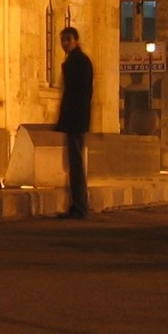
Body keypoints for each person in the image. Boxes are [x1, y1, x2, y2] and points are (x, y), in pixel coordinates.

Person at [54, 26, 93, 219]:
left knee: (76, 163)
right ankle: (78, 205)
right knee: (74, 163)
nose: (65, 43)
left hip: (75, 119)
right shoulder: (76, 61)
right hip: (76, 119)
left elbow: (76, 94)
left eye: (68, 39)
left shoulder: (77, 62)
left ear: (76, 40)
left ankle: (80, 206)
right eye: (63, 40)